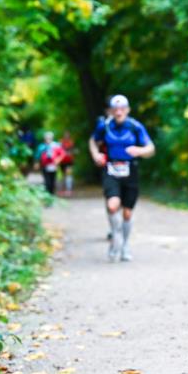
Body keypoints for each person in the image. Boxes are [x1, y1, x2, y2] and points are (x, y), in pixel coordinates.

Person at [89, 95, 155, 262]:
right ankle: (115, 239)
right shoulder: (104, 126)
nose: (119, 112)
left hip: (130, 170)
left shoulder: (135, 126)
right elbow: (92, 141)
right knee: (112, 206)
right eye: (115, 109)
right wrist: (96, 154)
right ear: (111, 110)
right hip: (110, 169)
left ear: (127, 109)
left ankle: (125, 245)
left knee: (127, 213)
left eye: (122, 108)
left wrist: (140, 151)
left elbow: (151, 148)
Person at [35, 131, 65, 196]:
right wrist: (37, 163)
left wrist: (58, 159)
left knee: (52, 180)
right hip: (45, 166)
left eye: (49, 138)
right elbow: (37, 156)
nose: (48, 139)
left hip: (53, 166)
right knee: (47, 181)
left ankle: (52, 194)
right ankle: (47, 194)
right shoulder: (41, 146)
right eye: (47, 138)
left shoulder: (56, 145)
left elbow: (62, 154)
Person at [59, 130, 76, 195]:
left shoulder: (71, 142)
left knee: (68, 175)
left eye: (67, 135)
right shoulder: (61, 142)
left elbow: (73, 150)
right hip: (62, 161)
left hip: (69, 161)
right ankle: (63, 189)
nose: (66, 136)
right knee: (63, 176)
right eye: (65, 135)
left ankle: (68, 189)